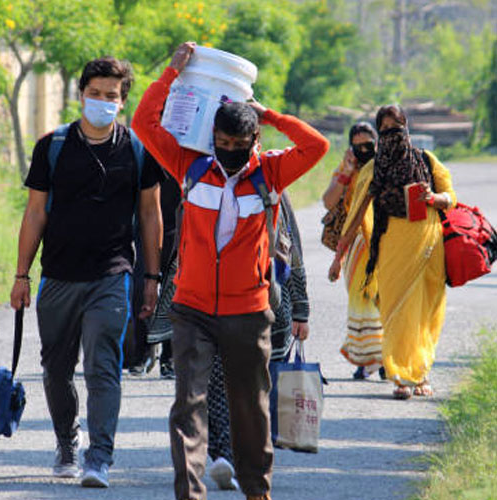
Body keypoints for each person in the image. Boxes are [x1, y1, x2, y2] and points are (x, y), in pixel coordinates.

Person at [132, 41, 329, 500]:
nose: (231, 152)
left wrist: (270, 113)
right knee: (188, 407)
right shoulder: (190, 167)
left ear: (255, 140)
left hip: (249, 311)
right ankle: (191, 493)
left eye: (240, 145)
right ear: (211, 138)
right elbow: (144, 123)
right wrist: (170, 75)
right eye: (223, 144)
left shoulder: (270, 174)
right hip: (192, 309)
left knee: (250, 409)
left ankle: (258, 491)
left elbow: (316, 145)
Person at [9, 56, 163, 488]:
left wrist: (151, 279)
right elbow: (35, 213)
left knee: (102, 367)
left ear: (123, 100)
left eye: (111, 96)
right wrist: (22, 276)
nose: (101, 101)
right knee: (56, 370)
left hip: (112, 275)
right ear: (81, 95)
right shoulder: (53, 147)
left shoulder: (137, 149)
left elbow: (151, 216)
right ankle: (66, 441)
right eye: (94, 94)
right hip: (57, 275)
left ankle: (100, 457)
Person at [330, 104, 456, 400]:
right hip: (391, 248)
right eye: (385, 131)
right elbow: (356, 215)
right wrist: (338, 258)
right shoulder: (374, 170)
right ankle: (401, 376)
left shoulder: (426, 161)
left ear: (406, 128)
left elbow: (450, 198)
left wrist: (433, 197)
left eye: (396, 129)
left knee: (426, 312)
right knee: (397, 312)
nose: (391, 136)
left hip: (429, 247)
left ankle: (420, 373)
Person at [206, 192, 310, 491]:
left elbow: (293, 251)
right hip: (214, 302)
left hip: (267, 306)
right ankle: (225, 454)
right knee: (216, 380)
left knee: (255, 390)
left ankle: (246, 458)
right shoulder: (205, 182)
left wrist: (301, 309)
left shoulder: (271, 187)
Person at [324, 122, 385, 380]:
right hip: (355, 242)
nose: (362, 149)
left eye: (367, 145)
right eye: (357, 145)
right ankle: (365, 358)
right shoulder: (347, 167)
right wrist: (347, 172)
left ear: (377, 143)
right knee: (360, 300)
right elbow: (328, 201)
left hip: (385, 238)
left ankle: (384, 357)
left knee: (383, 300)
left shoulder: (386, 165)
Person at [128, 169, 180, 379]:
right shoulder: (145, 143)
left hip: (177, 223)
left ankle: (170, 354)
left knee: (174, 288)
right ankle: (143, 350)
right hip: (146, 225)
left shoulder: (192, 141)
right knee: (140, 288)